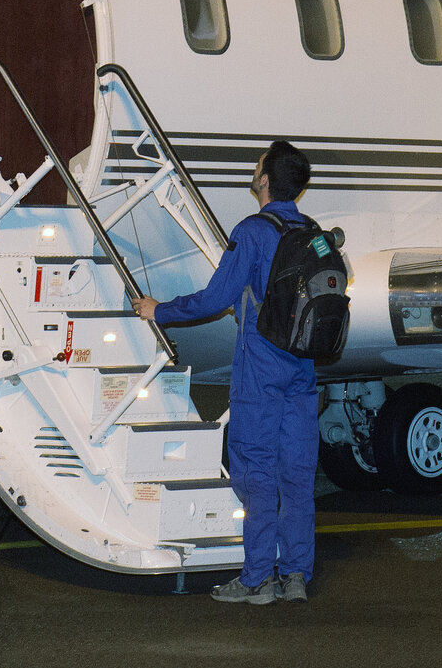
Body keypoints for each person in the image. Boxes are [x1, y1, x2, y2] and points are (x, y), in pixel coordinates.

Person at [132, 140, 318, 604]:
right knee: (296, 473)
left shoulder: (253, 231)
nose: (253, 171)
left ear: (266, 180)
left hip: (261, 367)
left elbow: (215, 299)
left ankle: (257, 580)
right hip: (303, 367)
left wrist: (162, 310)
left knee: (255, 470)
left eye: (258, 166)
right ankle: (295, 575)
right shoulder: (313, 231)